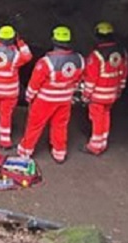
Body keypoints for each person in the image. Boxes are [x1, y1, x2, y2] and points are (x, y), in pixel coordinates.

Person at [16, 26, 84, 164]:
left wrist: (29, 96)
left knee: (35, 125)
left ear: (54, 41)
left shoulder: (46, 62)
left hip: (44, 100)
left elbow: (35, 82)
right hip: (65, 99)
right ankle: (59, 152)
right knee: (60, 125)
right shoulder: (79, 59)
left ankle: (25, 151)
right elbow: (79, 78)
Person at [82, 21, 128, 155]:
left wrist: (86, 95)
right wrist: (120, 88)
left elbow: (91, 78)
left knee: (97, 118)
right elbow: (124, 72)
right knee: (106, 115)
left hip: (98, 94)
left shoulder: (96, 55)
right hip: (113, 93)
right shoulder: (122, 52)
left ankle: (95, 146)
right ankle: (103, 141)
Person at [0, 25, 32, 149]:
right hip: (8, 92)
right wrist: (20, 42)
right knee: (6, 114)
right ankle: (5, 140)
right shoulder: (16, 55)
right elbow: (28, 56)